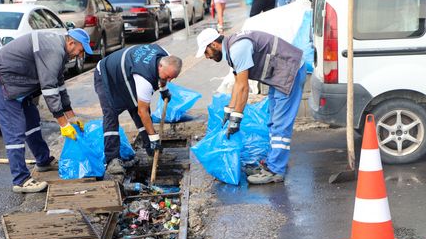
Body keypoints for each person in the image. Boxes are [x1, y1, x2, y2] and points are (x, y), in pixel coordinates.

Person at [0, 29, 92, 193]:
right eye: (81, 50)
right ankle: (20, 180)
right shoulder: (54, 50)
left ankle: (43, 161)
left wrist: (71, 116)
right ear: (71, 43)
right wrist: (63, 124)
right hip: (3, 79)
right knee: (15, 130)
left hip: (20, 82)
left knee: (32, 122)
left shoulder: (60, 51)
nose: (80, 55)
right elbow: (49, 88)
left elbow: (59, 85)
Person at [195, 28, 307, 184]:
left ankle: (276, 170)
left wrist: (236, 119)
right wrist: (229, 111)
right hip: (280, 74)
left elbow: (243, 87)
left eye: (206, 52)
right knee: (273, 121)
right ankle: (272, 163)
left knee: (280, 125)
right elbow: (237, 84)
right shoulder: (232, 49)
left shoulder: (237, 49)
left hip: (290, 71)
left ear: (213, 44)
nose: (206, 57)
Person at [94, 45, 182, 175]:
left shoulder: (165, 56)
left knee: (137, 106)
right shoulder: (144, 79)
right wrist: (154, 137)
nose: (169, 80)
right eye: (168, 77)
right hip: (106, 75)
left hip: (126, 74)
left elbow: (162, 78)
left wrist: (164, 90)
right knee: (111, 114)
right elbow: (143, 111)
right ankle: (112, 160)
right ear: (160, 66)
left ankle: (153, 151)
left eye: (172, 78)